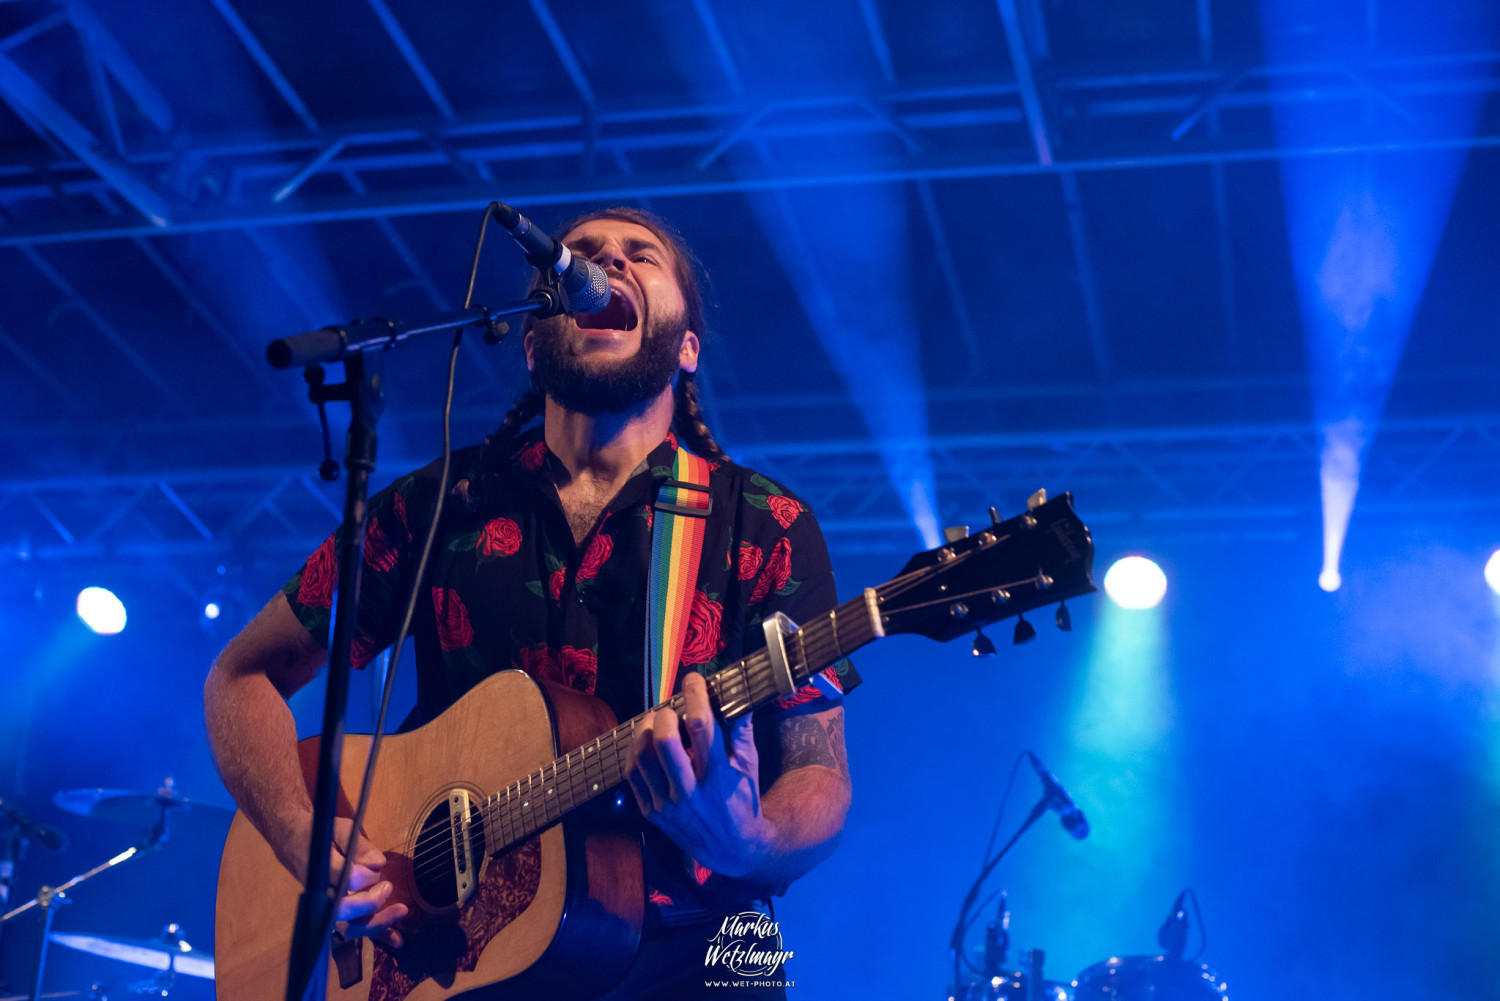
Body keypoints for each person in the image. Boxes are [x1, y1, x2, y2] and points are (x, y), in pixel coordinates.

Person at [203, 206, 856, 999]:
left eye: (640, 256)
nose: (606, 262)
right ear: (533, 333)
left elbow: (820, 771)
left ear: (688, 347)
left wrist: (751, 840)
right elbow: (242, 678)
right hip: (460, 961)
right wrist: (299, 831)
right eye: (580, 254)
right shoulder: (438, 505)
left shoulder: (764, 524)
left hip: (701, 950)